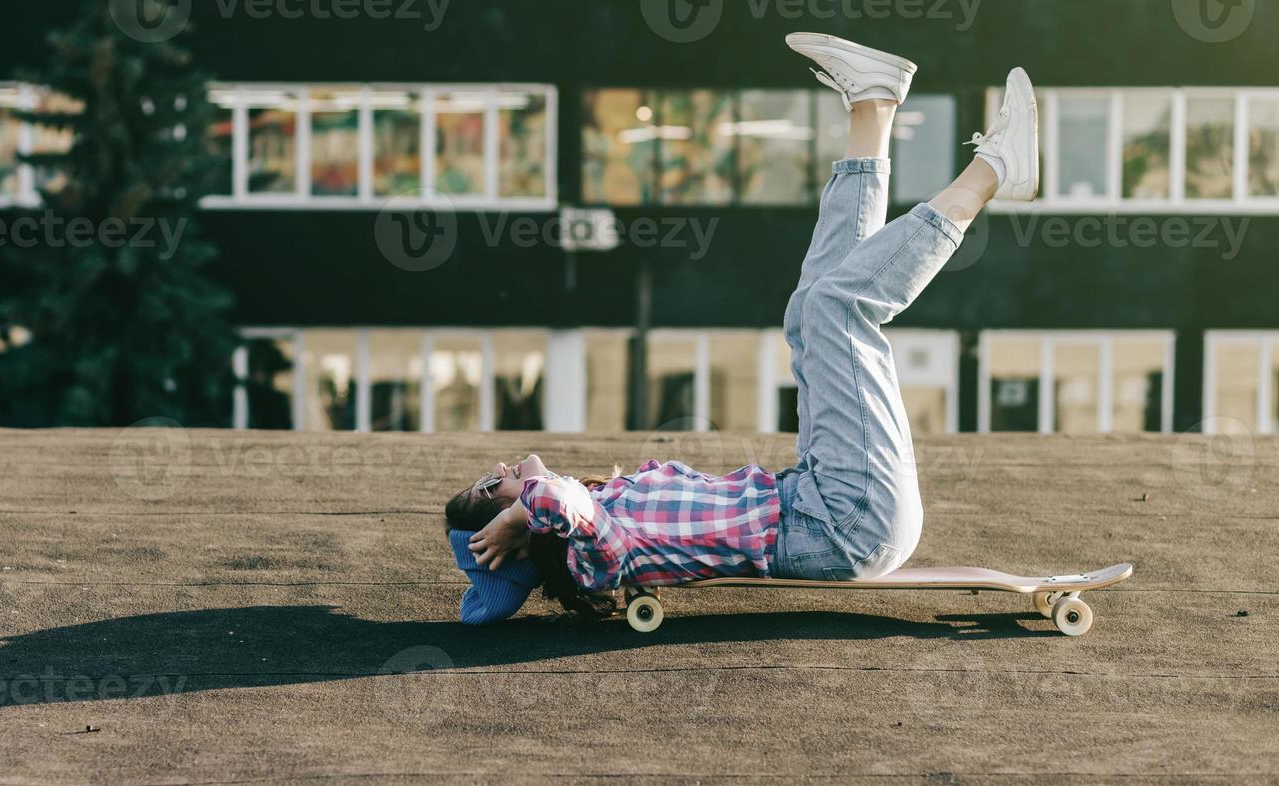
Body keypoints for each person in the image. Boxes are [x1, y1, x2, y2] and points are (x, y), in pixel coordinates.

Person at [445, 33, 1039, 624]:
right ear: (507, 538)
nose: (500, 472)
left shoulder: (595, 509)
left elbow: (563, 499)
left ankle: (873, 106)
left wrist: (512, 511)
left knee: (809, 310)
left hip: (819, 499)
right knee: (839, 310)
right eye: (486, 489)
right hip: (846, 524)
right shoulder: (588, 560)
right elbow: (558, 502)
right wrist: (517, 515)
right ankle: (991, 171)